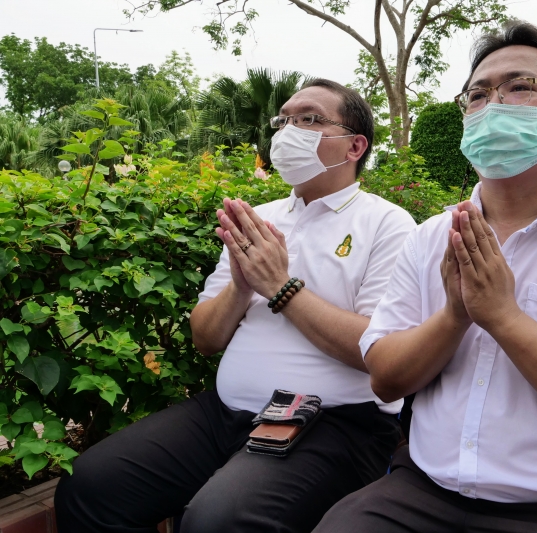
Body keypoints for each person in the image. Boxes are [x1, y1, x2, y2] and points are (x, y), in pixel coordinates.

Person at [314, 22, 537, 533]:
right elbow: (386, 377)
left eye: (519, 87)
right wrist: (455, 316)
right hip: (424, 490)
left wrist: (503, 317)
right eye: (477, 95)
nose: (493, 104)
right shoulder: (430, 238)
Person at [54, 79, 417, 533]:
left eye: (309, 119)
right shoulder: (260, 218)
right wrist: (242, 287)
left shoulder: (388, 224)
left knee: (218, 522)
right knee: (90, 486)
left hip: (336, 425)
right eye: (283, 120)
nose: (288, 131)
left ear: (354, 146)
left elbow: (378, 352)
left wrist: (281, 286)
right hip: (228, 413)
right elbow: (205, 339)